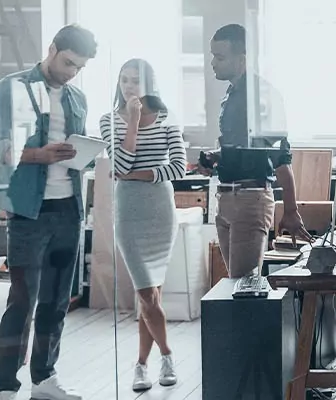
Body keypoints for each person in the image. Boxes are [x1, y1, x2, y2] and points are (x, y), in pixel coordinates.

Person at [0, 24, 96, 400]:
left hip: (68, 208)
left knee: (56, 301)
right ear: (52, 49)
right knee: (22, 301)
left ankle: (44, 379)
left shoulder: (78, 98)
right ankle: (6, 385)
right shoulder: (12, 89)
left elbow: (76, 152)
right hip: (28, 213)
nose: (71, 72)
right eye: (68, 63)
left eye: (79, 68)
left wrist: (82, 156)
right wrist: (40, 155)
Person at [99, 58, 186, 392]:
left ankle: (140, 366)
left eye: (135, 80)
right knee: (147, 294)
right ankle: (167, 354)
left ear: (149, 83)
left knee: (149, 298)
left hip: (160, 212)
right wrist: (133, 121)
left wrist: (136, 175)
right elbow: (119, 161)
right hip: (129, 213)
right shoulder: (108, 120)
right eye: (123, 80)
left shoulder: (167, 118)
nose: (128, 86)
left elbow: (178, 168)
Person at [200, 24, 314, 278]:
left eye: (219, 57)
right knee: (235, 286)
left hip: (249, 200)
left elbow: (281, 158)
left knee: (243, 288)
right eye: (212, 56)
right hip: (226, 199)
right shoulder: (231, 94)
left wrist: (292, 210)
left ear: (241, 60)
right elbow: (244, 149)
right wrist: (215, 158)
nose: (213, 63)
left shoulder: (263, 97)